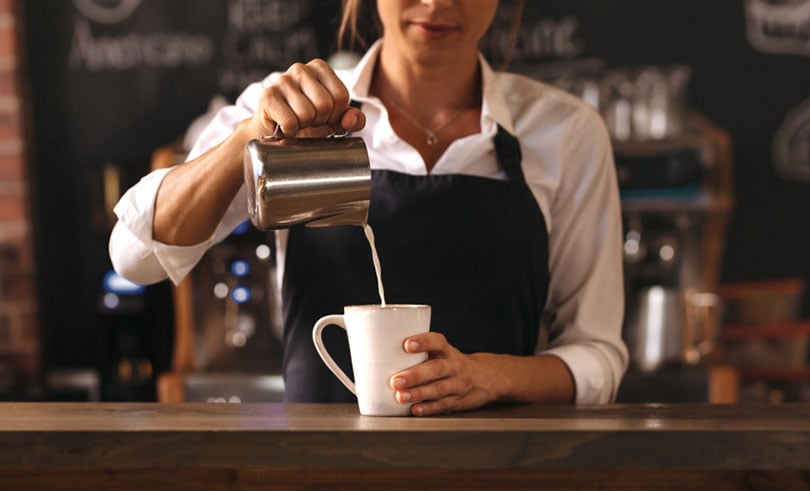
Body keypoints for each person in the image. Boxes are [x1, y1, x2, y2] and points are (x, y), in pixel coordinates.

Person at [109, 0, 628, 415]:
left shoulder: (565, 132)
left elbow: (596, 356)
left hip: (499, 481)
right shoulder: (287, 110)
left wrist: (491, 376)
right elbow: (135, 256)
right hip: (324, 481)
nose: (437, 3)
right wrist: (252, 137)